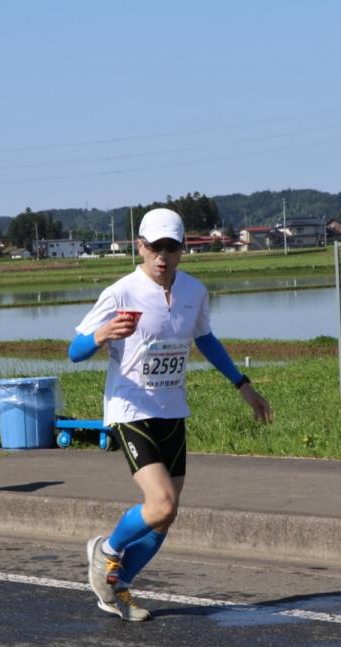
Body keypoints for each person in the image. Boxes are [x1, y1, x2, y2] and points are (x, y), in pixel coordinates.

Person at [70, 208, 273, 621]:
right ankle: (105, 552)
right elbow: (75, 351)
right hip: (130, 408)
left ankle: (115, 588)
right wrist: (101, 335)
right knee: (159, 504)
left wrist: (243, 385)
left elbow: (206, 339)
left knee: (166, 517)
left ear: (182, 250)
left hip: (171, 409)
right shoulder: (121, 292)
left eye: (172, 247)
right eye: (155, 247)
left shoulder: (194, 292)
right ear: (140, 247)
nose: (163, 256)